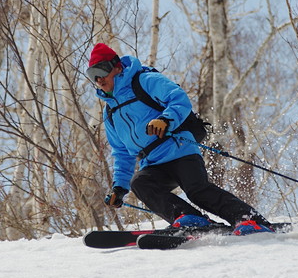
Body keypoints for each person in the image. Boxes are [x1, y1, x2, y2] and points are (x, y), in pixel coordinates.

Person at [86, 43, 272, 234]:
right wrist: (119, 188)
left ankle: (250, 220)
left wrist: (165, 120)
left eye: (102, 70)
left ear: (117, 67)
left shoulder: (144, 80)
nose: (99, 79)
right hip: (152, 162)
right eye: (92, 74)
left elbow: (178, 98)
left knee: (197, 191)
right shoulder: (110, 113)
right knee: (140, 183)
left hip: (178, 149)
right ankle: (190, 218)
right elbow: (122, 153)